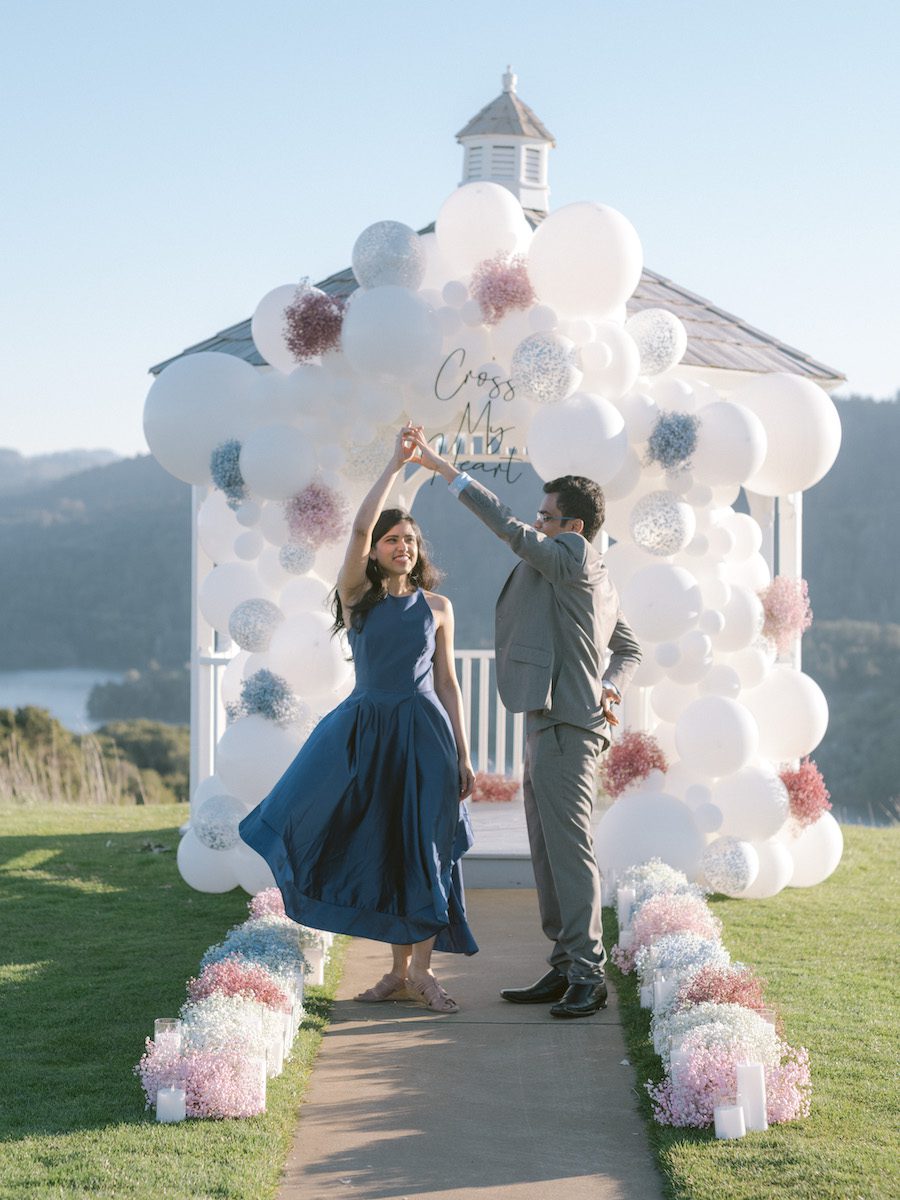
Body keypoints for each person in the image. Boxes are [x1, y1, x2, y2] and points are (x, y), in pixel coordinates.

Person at [239, 426, 478, 1015]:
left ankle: (421, 973)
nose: (403, 547)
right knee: (380, 846)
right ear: (376, 550)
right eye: (393, 539)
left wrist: (466, 755)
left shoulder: (439, 608)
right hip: (366, 733)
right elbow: (357, 526)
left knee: (424, 848)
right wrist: (397, 464)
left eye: (411, 541)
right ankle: (395, 974)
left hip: (426, 738)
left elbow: (448, 683)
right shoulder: (357, 598)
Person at [408, 426, 641, 1018]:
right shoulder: (590, 572)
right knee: (546, 848)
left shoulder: (575, 556)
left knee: (569, 850)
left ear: (575, 527)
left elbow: (510, 530)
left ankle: (588, 976)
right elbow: (629, 650)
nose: (537, 523)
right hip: (550, 720)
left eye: (547, 515)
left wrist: (445, 469)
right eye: (539, 515)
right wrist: (610, 685)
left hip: (568, 725)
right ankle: (565, 966)